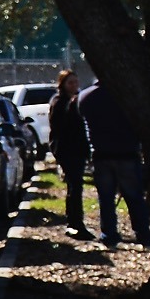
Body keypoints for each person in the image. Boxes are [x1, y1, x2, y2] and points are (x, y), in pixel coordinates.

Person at [76, 72, 145, 248]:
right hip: (127, 151)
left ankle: (109, 234)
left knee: (106, 198)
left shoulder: (86, 97)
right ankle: (143, 233)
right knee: (134, 196)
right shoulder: (128, 96)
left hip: (101, 153)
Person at [48, 64, 92, 239]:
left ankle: (75, 220)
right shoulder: (60, 103)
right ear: (63, 84)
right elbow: (60, 128)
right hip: (67, 150)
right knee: (75, 185)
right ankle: (75, 222)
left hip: (78, 149)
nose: (74, 86)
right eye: (70, 83)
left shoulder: (77, 100)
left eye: (76, 82)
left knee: (75, 186)